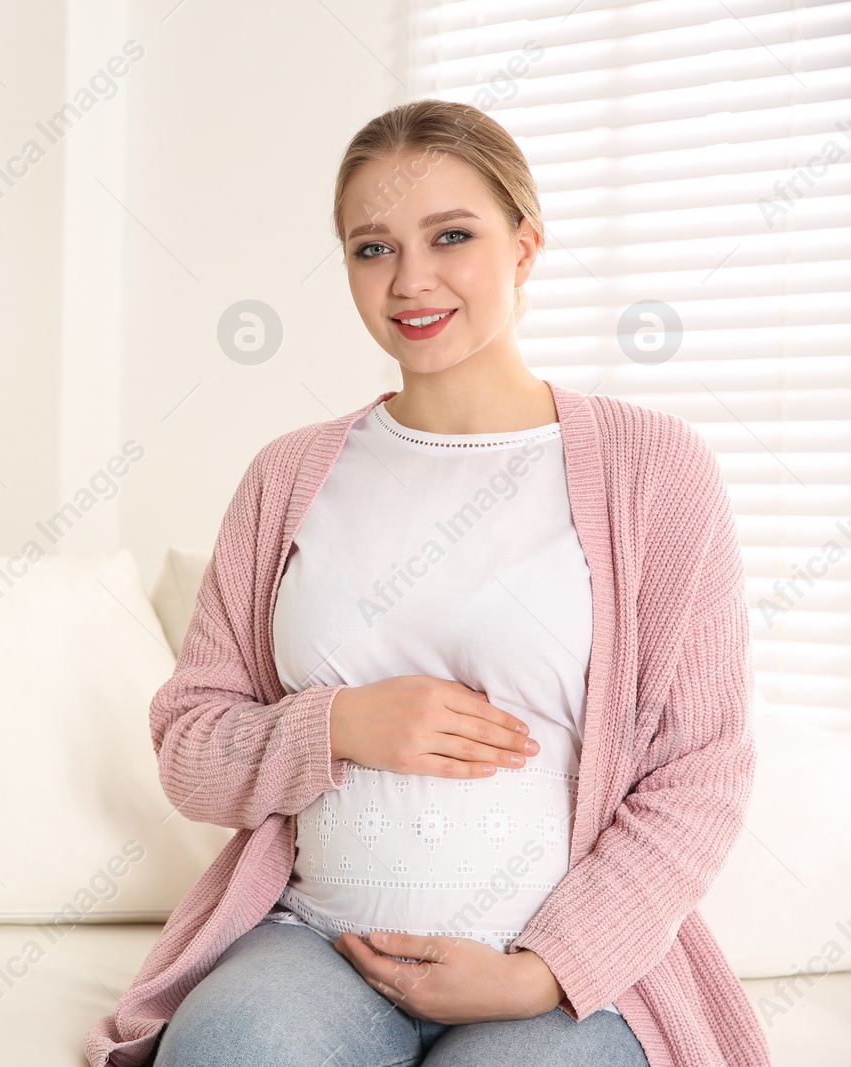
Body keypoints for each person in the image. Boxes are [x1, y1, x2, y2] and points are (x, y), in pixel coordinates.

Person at [84, 99, 769, 1067]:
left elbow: (700, 773)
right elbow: (190, 748)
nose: (410, 280)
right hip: (314, 950)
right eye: (371, 248)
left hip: (555, 983)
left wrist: (543, 968)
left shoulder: (651, 470)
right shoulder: (288, 476)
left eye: (451, 236)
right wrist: (336, 724)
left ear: (525, 247)